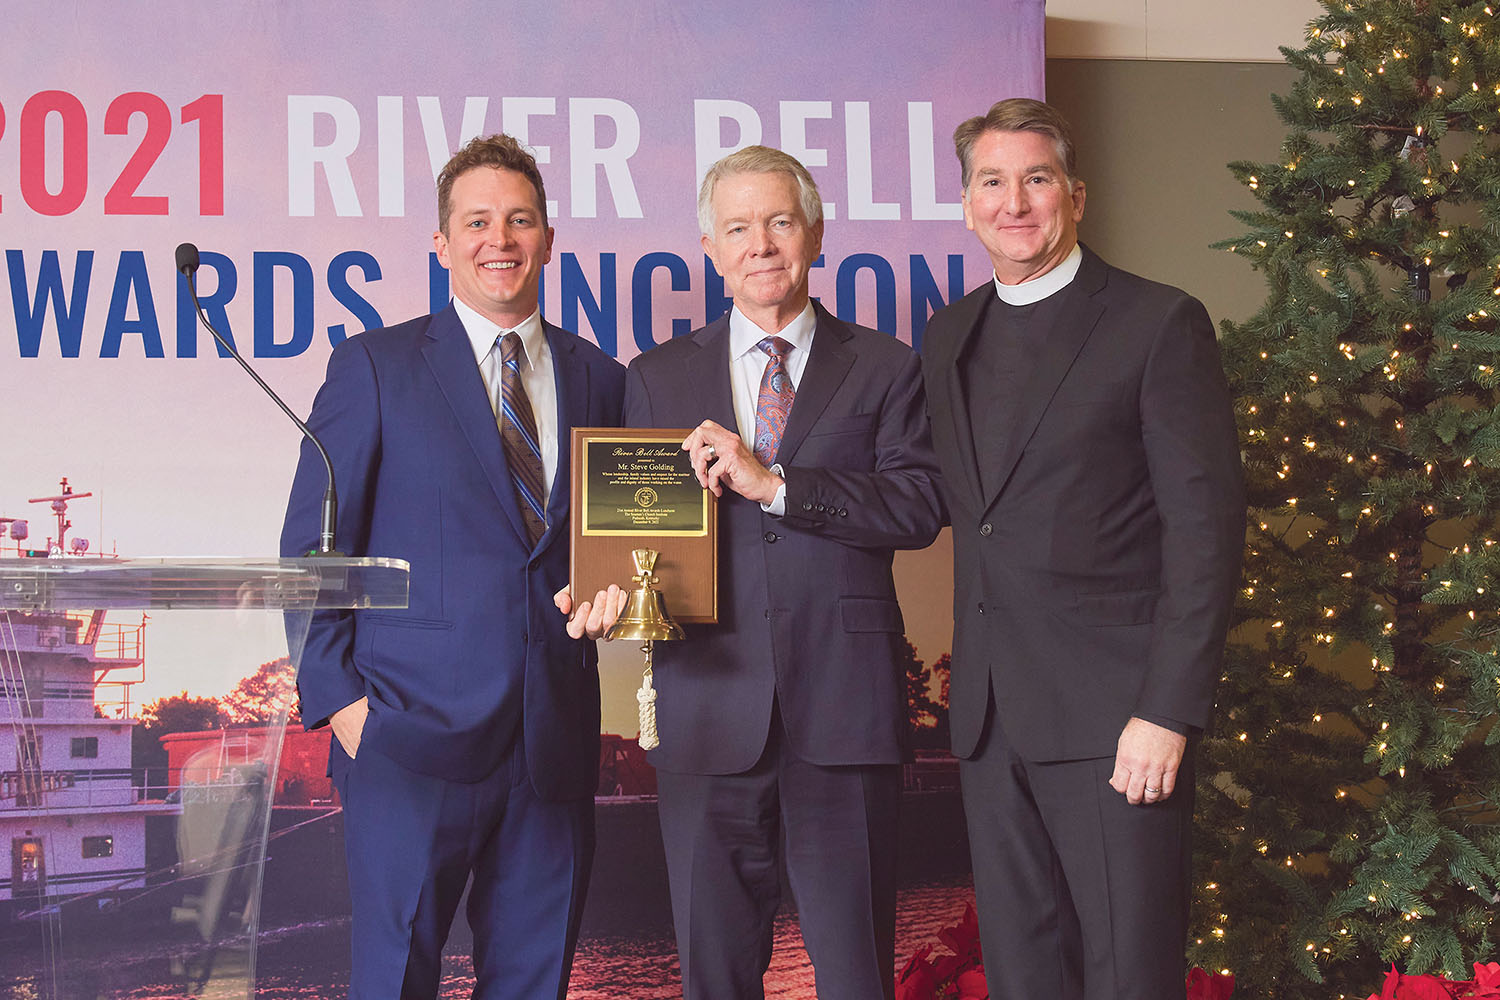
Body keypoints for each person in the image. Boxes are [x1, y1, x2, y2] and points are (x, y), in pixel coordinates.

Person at [281, 133, 626, 1000]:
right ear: (442, 244)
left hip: (551, 746)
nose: (497, 240)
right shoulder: (374, 367)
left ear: (548, 236)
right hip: (406, 737)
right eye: (476, 222)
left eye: (518, 220)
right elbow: (313, 547)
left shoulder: (605, 380)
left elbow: (616, 547)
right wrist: (342, 704)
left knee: (534, 982)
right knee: (396, 979)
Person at [920, 98, 1245, 1000]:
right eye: (992, 181)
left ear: (1076, 194)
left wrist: (1168, 711)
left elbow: (1205, 532)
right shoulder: (949, 336)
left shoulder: (1156, 323)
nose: (1013, 201)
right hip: (991, 722)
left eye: (1036, 179)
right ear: (967, 203)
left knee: (1127, 975)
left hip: (1118, 724)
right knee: (1025, 975)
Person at [623, 145, 943, 1000]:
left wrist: (778, 486)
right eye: (738, 227)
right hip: (704, 712)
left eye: (778, 221)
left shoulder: (885, 365)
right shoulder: (655, 378)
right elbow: (631, 537)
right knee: (714, 977)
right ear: (709, 247)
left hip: (845, 714)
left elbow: (917, 507)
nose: (760, 243)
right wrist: (605, 589)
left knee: (855, 975)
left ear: (816, 233)